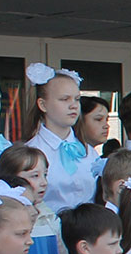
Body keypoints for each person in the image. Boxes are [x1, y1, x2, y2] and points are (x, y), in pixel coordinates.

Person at [26, 65, 97, 212]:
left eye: (77, 99)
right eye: (64, 99)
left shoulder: (88, 152)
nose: (73, 106)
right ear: (42, 105)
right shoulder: (31, 152)